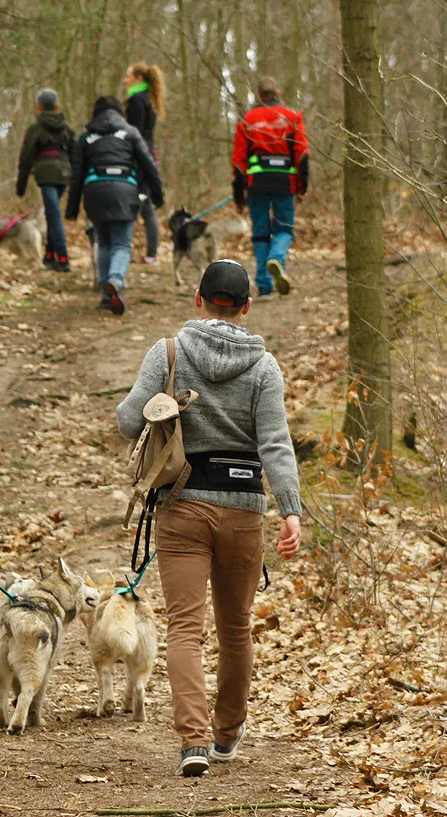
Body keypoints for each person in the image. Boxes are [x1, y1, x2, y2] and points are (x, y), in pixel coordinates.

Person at [117, 259, 301, 777]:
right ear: (246, 306)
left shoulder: (169, 352)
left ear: (197, 299)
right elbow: (275, 444)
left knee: (184, 630)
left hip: (183, 502)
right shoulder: (264, 367)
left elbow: (129, 421)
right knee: (237, 628)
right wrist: (291, 512)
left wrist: (165, 404)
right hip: (245, 509)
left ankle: (192, 742)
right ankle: (226, 735)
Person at [65, 96, 163, 315]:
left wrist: (72, 208)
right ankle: (116, 280)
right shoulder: (130, 133)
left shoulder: (86, 137)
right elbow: (149, 166)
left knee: (104, 242)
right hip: (124, 191)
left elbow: (77, 175)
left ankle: (105, 295)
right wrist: (157, 195)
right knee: (121, 243)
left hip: (95, 193)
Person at [232, 77, 309, 300]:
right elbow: (302, 154)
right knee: (284, 229)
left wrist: (239, 195)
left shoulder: (247, 120)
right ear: (277, 93)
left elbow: (238, 161)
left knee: (260, 234)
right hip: (285, 183)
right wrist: (302, 187)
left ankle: (265, 285)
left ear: (259, 95)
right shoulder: (292, 117)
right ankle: (276, 257)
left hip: (256, 184)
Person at [16, 88, 76, 272]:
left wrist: (21, 186)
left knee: (53, 214)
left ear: (38, 106)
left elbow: (26, 158)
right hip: (65, 173)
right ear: (57, 105)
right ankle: (49, 256)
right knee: (53, 213)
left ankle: (63, 257)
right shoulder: (68, 128)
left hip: (46, 174)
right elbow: (75, 153)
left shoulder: (35, 129)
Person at [123, 62, 166, 264]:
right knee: (144, 205)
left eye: (128, 76)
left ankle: (129, 250)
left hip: (139, 157)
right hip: (149, 153)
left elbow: (134, 133)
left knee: (136, 205)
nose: (125, 80)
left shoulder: (136, 100)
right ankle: (151, 253)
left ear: (139, 78)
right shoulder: (148, 99)